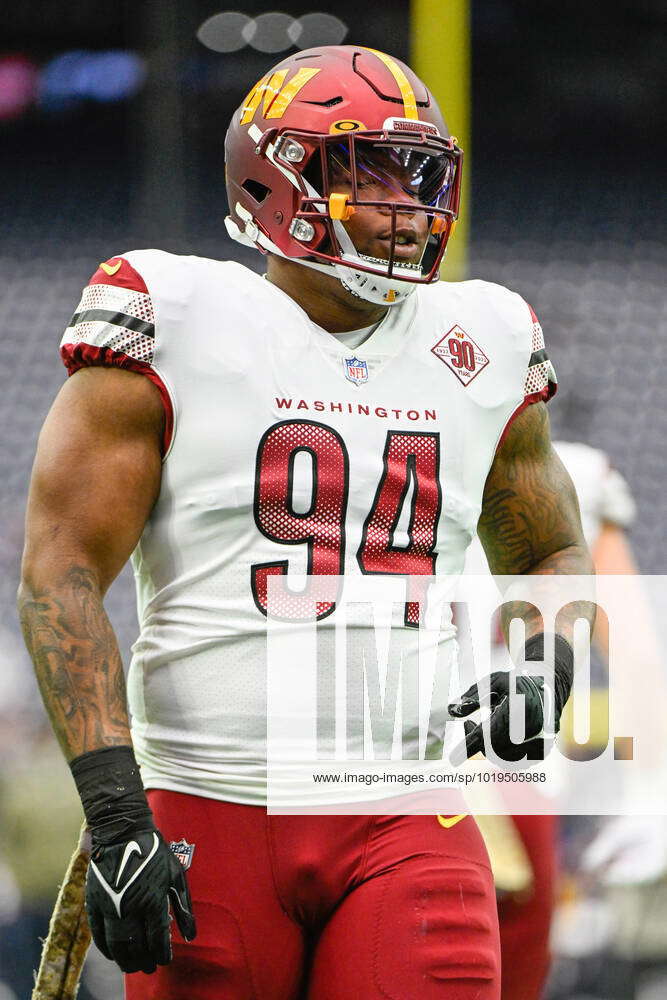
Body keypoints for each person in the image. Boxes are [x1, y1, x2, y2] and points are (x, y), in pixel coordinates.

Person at [17, 45, 594, 999]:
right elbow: (62, 574)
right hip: (212, 807)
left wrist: (545, 658)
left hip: (410, 813)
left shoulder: (481, 336)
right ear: (273, 182)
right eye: (365, 171)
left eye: (415, 173)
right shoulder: (176, 315)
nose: (403, 202)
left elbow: (549, 549)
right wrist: (119, 814)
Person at [464, 440, 637, 999]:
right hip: (503, 763)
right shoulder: (572, 470)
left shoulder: (371, 434)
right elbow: (634, 651)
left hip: (420, 758)